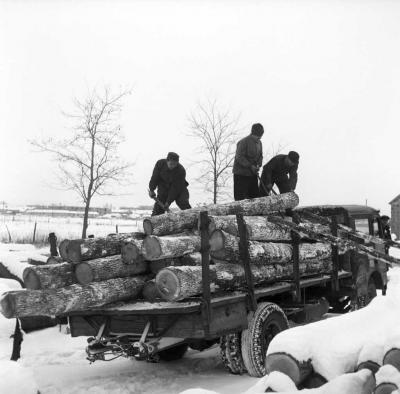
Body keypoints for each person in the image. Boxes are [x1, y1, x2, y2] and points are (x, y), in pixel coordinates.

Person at [232, 123, 264, 201]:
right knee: (240, 198)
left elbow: (260, 156)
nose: (258, 138)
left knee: (254, 197)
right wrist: (250, 166)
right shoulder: (243, 142)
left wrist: (258, 165)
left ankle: (254, 213)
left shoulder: (259, 143)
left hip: (252, 175)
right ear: (253, 133)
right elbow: (239, 157)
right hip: (241, 175)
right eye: (257, 136)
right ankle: (240, 213)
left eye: (259, 136)